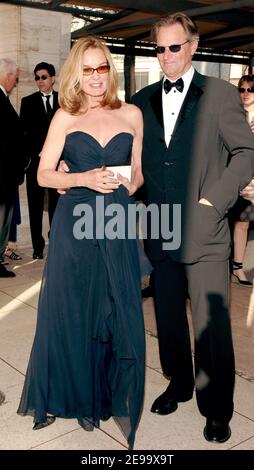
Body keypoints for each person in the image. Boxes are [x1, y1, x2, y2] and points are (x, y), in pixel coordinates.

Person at [131, 12, 254, 443]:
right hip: (161, 229)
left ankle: (217, 406)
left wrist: (213, 202)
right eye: (159, 48)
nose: (166, 55)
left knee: (210, 324)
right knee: (167, 318)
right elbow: (135, 160)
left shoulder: (221, 94)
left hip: (205, 231)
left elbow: (244, 153)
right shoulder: (141, 99)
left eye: (174, 46)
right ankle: (180, 383)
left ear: (193, 45)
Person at [17, 36, 145, 449]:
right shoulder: (64, 117)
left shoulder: (132, 114)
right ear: (76, 72)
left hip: (117, 221)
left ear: (110, 69)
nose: (94, 77)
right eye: (86, 69)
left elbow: (140, 172)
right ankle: (72, 394)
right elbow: (43, 175)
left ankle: (108, 391)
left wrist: (130, 182)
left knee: (113, 306)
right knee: (73, 308)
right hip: (76, 222)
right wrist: (83, 179)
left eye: (101, 68)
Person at [20, 62, 59, 259]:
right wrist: (27, 160)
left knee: (56, 205)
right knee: (35, 206)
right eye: (36, 77)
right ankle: (37, 247)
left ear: (53, 78)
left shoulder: (64, 100)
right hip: (35, 164)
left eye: (43, 77)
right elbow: (23, 135)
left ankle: (56, 241)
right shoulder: (27, 102)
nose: (40, 81)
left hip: (58, 164)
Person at [0, 58, 25, 278]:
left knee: (4, 219)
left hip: (7, 174)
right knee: (1, 219)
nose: (15, 82)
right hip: (3, 174)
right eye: (15, 78)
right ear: (7, 76)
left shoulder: (3, 98)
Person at [231, 75, 254, 286]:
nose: (246, 93)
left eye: (251, 89)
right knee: (235, 223)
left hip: (253, 180)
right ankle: (232, 267)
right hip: (233, 177)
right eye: (242, 89)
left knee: (243, 223)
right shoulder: (233, 115)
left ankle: (237, 267)